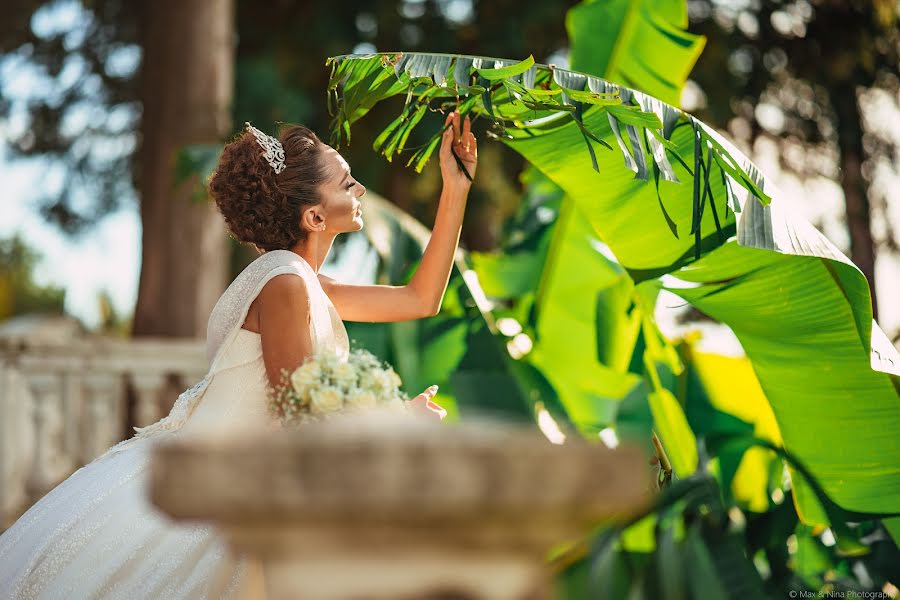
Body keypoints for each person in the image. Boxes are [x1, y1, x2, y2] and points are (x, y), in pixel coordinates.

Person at [0, 109, 477, 598]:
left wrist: (455, 190)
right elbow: (301, 414)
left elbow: (421, 299)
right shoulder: (286, 283)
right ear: (314, 217)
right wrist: (396, 418)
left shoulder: (298, 278)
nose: (359, 191)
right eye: (347, 182)